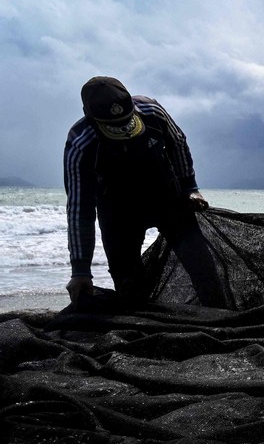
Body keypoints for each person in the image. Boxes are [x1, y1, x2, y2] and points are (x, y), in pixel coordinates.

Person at [64, 76, 212, 305]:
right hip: (118, 215)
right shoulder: (81, 144)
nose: (122, 129)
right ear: (88, 113)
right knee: (130, 288)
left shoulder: (152, 110)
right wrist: (80, 271)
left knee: (204, 269)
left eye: (125, 120)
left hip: (168, 199)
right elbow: (78, 208)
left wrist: (190, 188)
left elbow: (178, 142)